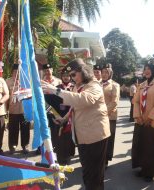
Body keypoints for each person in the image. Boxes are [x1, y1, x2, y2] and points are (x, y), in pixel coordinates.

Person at [42, 58, 110, 190]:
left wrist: (56, 91)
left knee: (95, 175)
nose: (72, 78)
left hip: (95, 136)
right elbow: (74, 107)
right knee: (87, 172)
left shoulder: (94, 85)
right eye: (70, 75)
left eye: (73, 74)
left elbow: (83, 100)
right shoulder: (77, 86)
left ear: (83, 71)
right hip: (82, 136)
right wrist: (64, 119)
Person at [132, 63, 154, 182]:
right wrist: (138, 116)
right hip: (141, 121)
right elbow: (135, 101)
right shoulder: (142, 85)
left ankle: (150, 173)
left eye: (148, 69)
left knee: (152, 148)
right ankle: (143, 169)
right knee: (141, 146)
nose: (146, 71)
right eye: (144, 69)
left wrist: (150, 118)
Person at [45, 67, 75, 165]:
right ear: (61, 77)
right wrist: (54, 115)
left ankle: (69, 156)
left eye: (68, 76)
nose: (66, 78)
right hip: (58, 117)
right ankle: (59, 156)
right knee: (58, 137)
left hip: (71, 116)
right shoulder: (56, 88)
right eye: (64, 76)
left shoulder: (74, 88)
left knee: (69, 138)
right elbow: (48, 102)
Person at [6, 64, 30, 154]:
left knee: (25, 128)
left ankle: (25, 145)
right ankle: (13, 145)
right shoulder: (7, 81)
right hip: (13, 110)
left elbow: (30, 94)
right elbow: (6, 96)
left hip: (25, 110)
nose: (17, 74)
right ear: (12, 72)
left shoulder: (25, 81)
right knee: (13, 128)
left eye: (19, 72)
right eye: (15, 72)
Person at [101, 63, 120, 167]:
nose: (104, 74)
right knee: (99, 138)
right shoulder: (97, 84)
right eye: (103, 72)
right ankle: (99, 158)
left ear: (110, 74)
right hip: (97, 116)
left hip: (109, 116)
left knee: (108, 138)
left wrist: (103, 112)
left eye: (106, 72)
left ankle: (106, 160)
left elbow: (114, 102)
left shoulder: (114, 85)